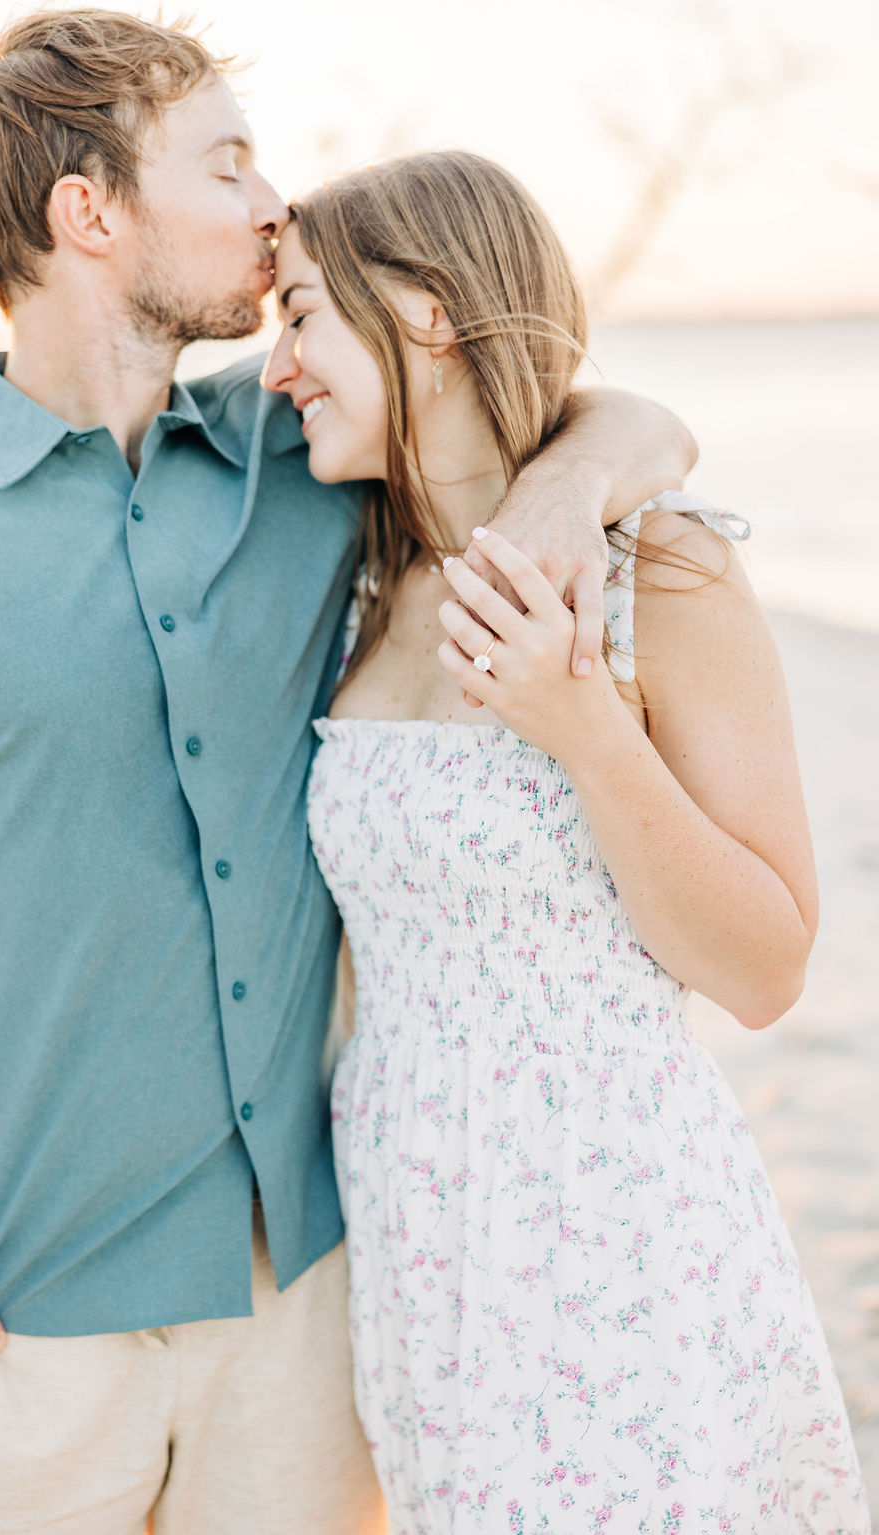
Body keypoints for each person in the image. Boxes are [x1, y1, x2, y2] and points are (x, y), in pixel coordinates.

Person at [0, 12, 700, 1534]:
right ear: (89, 212)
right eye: (227, 163)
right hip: (22, 1301)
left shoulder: (300, 451)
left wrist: (574, 490)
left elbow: (617, 415)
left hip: (309, 1290)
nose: (271, 206)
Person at [264, 150, 869, 1532]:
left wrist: (580, 725)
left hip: (614, 1231)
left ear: (424, 314)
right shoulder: (368, 572)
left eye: (300, 315)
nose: (277, 364)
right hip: (419, 1243)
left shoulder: (672, 570)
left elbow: (768, 968)